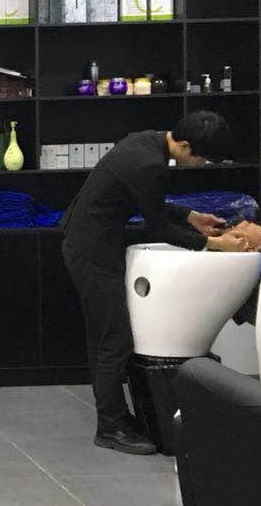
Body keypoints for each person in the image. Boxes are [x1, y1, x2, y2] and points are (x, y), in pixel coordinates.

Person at [61, 111, 249, 454]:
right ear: (186, 145)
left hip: (88, 240)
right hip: (92, 251)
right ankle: (111, 427)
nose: (201, 165)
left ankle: (116, 416)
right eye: (202, 158)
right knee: (113, 341)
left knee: (106, 339)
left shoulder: (146, 140)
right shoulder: (149, 164)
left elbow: (146, 200)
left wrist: (191, 217)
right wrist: (214, 244)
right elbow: (159, 228)